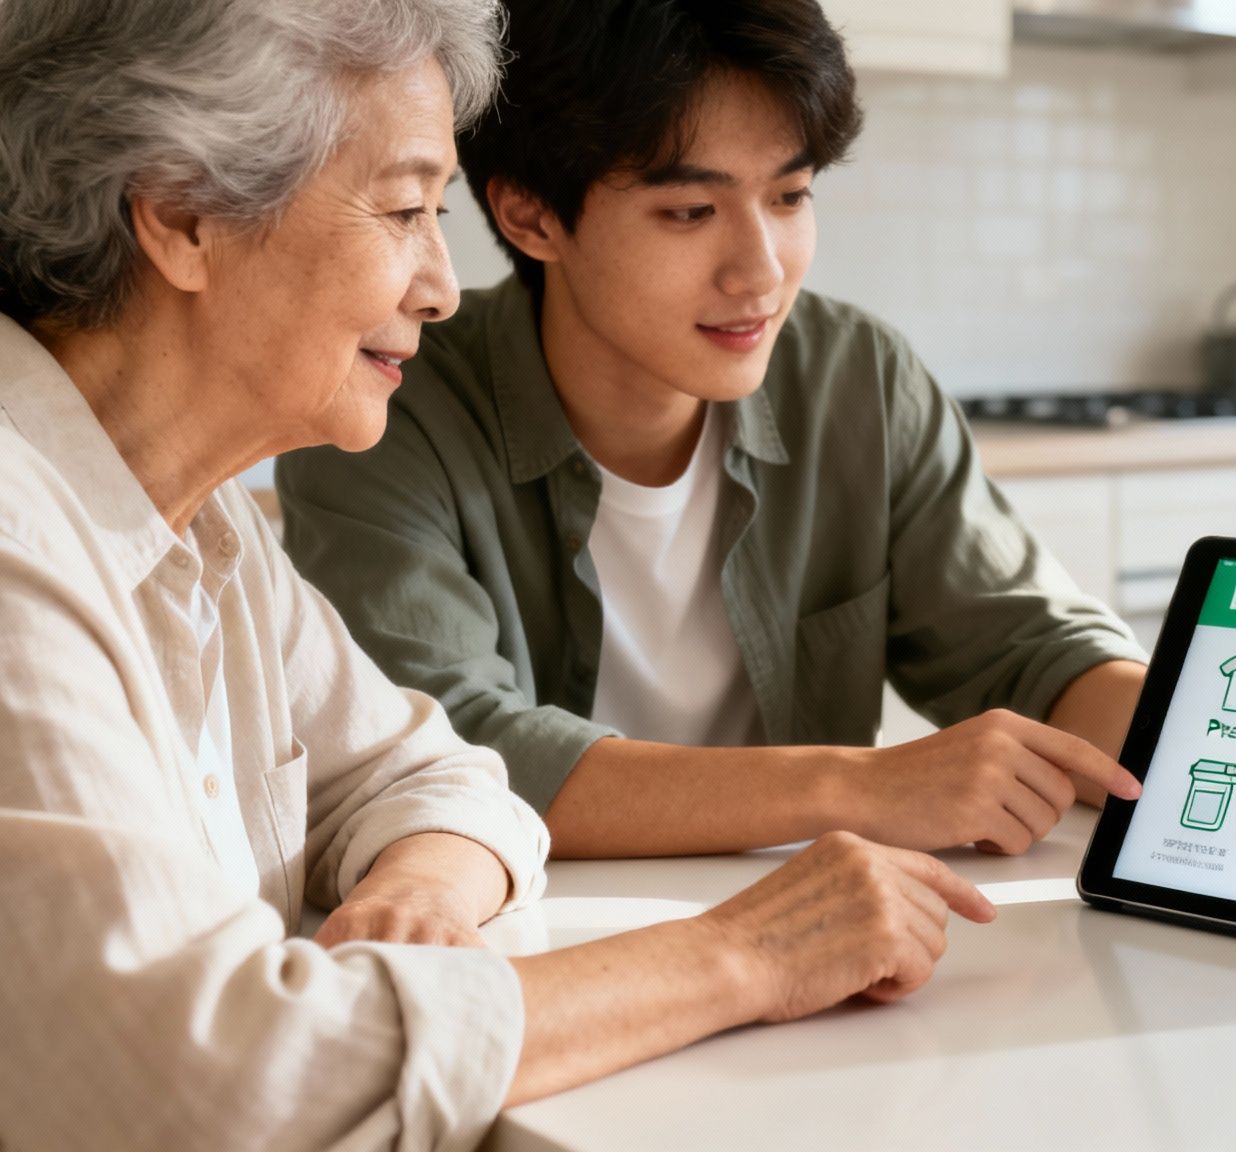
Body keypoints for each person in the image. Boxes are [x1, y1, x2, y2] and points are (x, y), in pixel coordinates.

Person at [0, 3, 991, 1147]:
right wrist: (744, 954)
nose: (441, 288)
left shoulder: (189, 518)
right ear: (183, 218)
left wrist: (426, 889)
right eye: (404, 211)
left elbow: (439, 773)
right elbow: (203, 1087)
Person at [277, 0, 1150, 861]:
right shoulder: (388, 404)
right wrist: (858, 787)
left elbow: (1038, 653)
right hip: (531, 942)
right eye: (691, 212)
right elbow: (442, 754)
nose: (762, 272)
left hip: (834, 938)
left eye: (791, 195)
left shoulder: (859, 380)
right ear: (530, 216)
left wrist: (1206, 733)